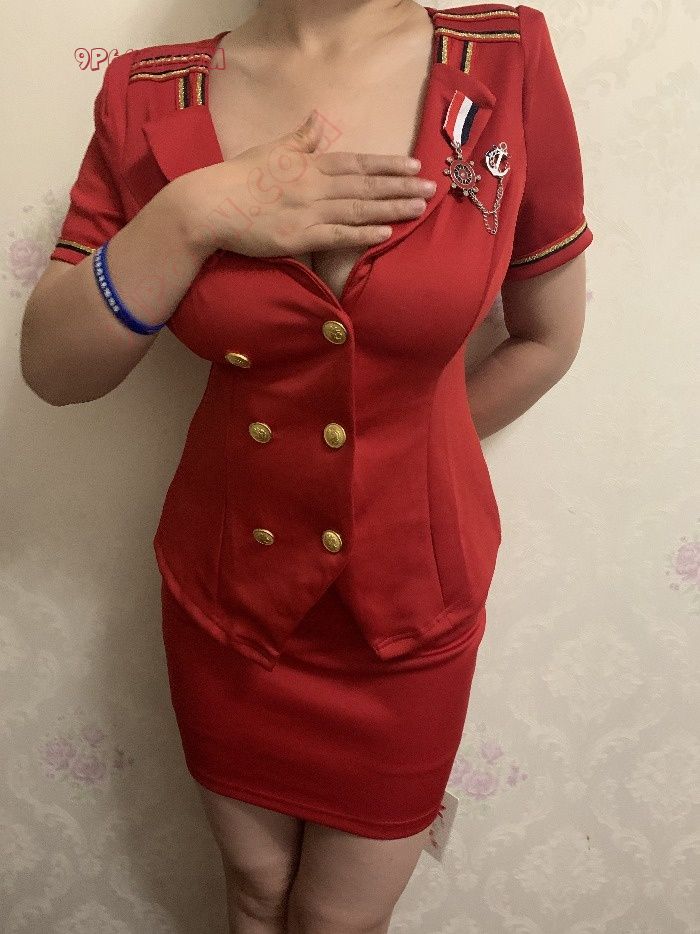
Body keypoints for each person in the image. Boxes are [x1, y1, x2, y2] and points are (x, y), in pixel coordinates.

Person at [20, 1, 593, 931]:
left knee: (340, 919)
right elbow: (53, 368)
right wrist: (193, 215)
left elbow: (548, 337)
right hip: (230, 602)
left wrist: (400, 461)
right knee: (252, 890)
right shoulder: (146, 93)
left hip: (410, 610)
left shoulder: (505, 58)